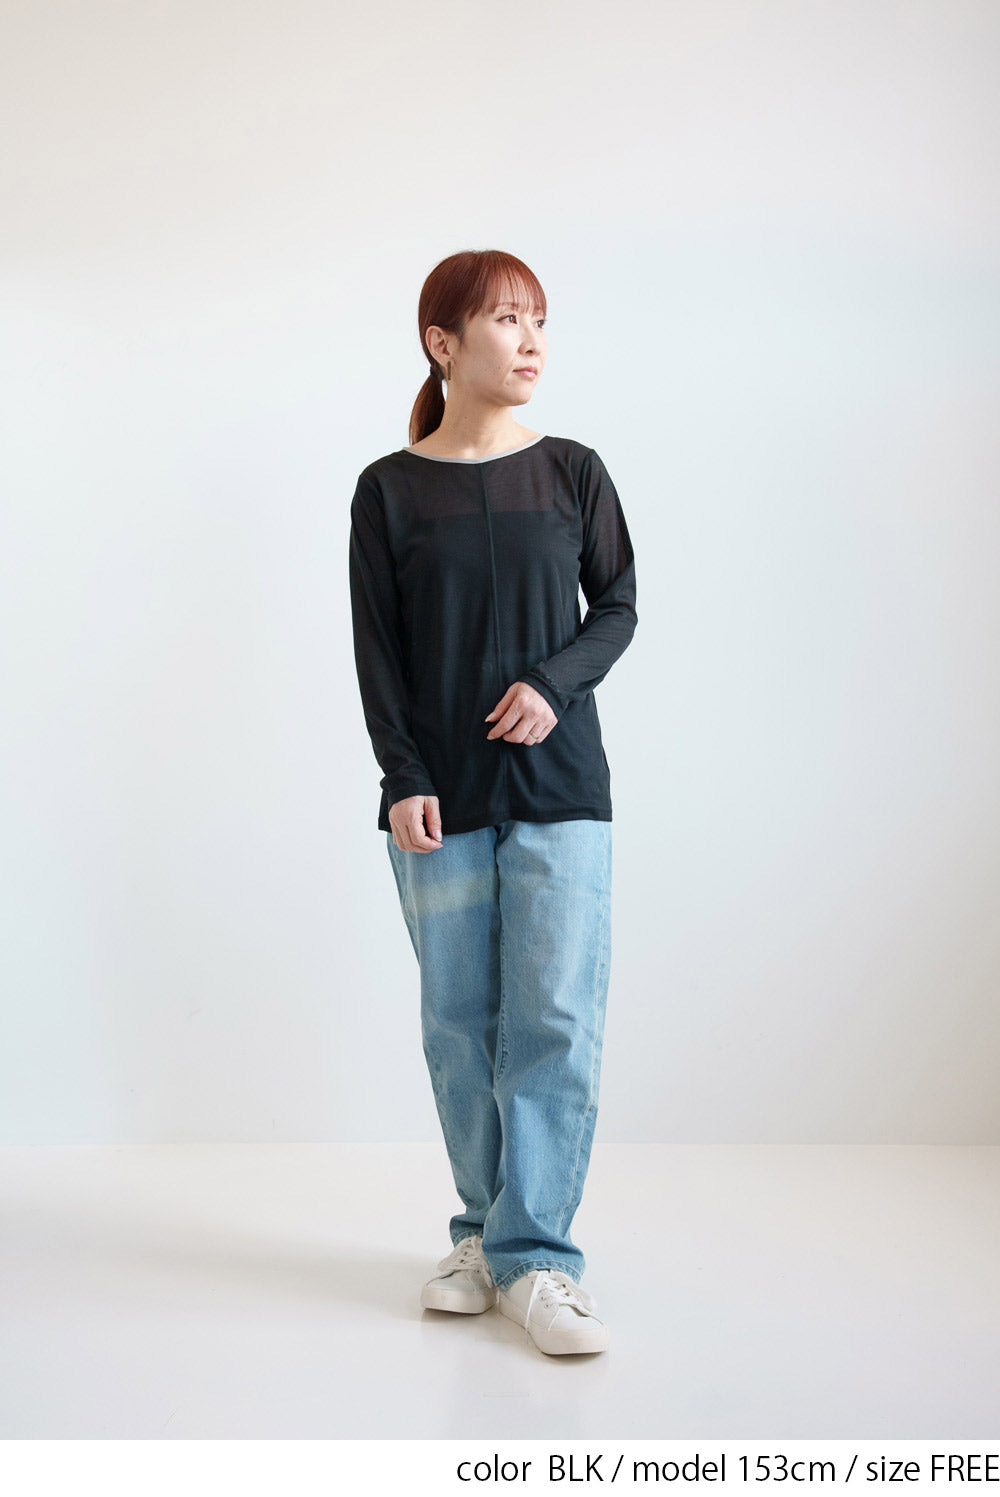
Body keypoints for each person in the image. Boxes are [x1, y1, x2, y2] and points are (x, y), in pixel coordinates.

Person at [348, 249, 637, 1356]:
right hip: (439, 798)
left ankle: (538, 1258)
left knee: (553, 1020)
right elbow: (378, 653)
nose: (530, 341)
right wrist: (403, 777)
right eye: (507, 319)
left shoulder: (572, 471)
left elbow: (617, 606)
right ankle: (483, 1232)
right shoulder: (388, 489)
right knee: (459, 1027)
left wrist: (552, 685)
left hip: (562, 791)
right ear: (443, 342)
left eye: (540, 320)